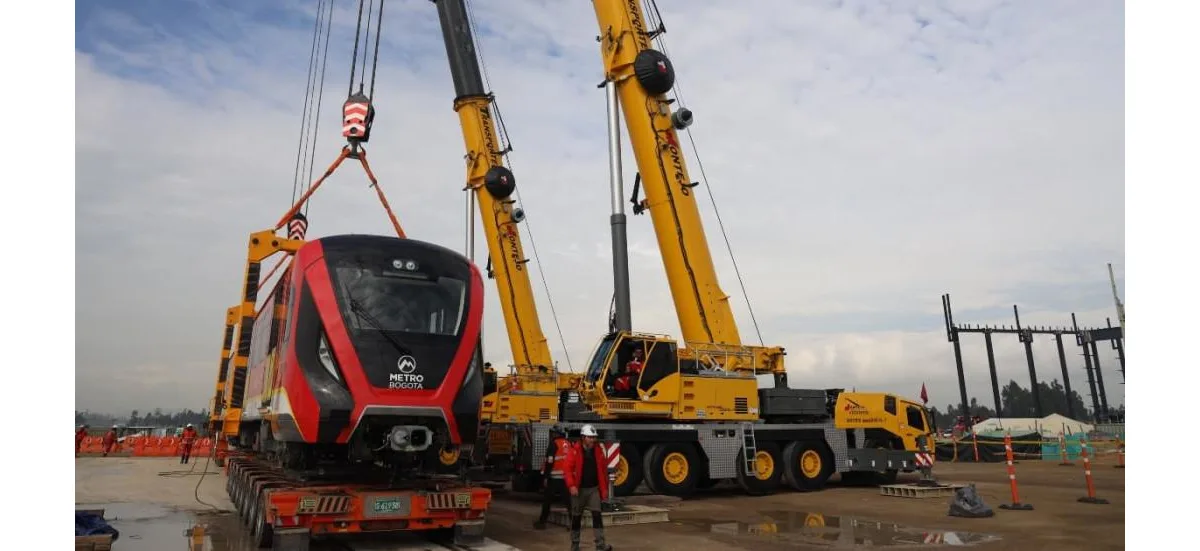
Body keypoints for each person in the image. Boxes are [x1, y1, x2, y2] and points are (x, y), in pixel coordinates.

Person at [563, 424, 613, 551]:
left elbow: (602, 471)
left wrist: (604, 489)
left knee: (597, 516)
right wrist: (571, 485)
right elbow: (567, 470)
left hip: (593, 489)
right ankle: (575, 545)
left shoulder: (598, 451)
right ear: (583, 437)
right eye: (590, 437)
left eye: (593, 437)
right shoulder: (574, 451)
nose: (592, 440)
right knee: (576, 517)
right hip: (578, 490)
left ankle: (600, 545)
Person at [533, 424, 571, 530]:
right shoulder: (568, 444)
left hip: (554, 477)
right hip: (566, 477)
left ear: (556, 434)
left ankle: (542, 522)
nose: (552, 434)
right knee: (569, 502)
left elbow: (550, 461)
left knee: (547, 501)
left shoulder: (554, 444)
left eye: (553, 433)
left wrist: (545, 476)